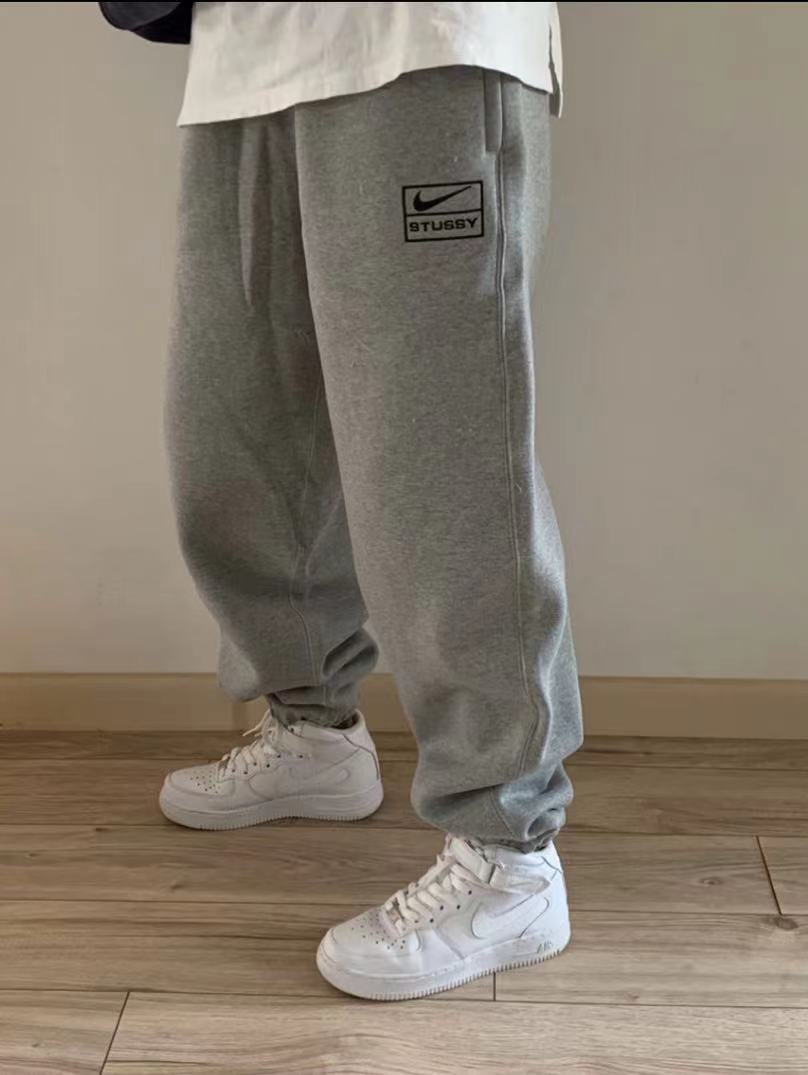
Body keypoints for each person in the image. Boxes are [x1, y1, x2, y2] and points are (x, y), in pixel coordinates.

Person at [100, 0, 583, 1001]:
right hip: (246, 57)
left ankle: (510, 851)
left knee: (439, 452)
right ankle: (315, 728)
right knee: (234, 427)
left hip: (422, 41)